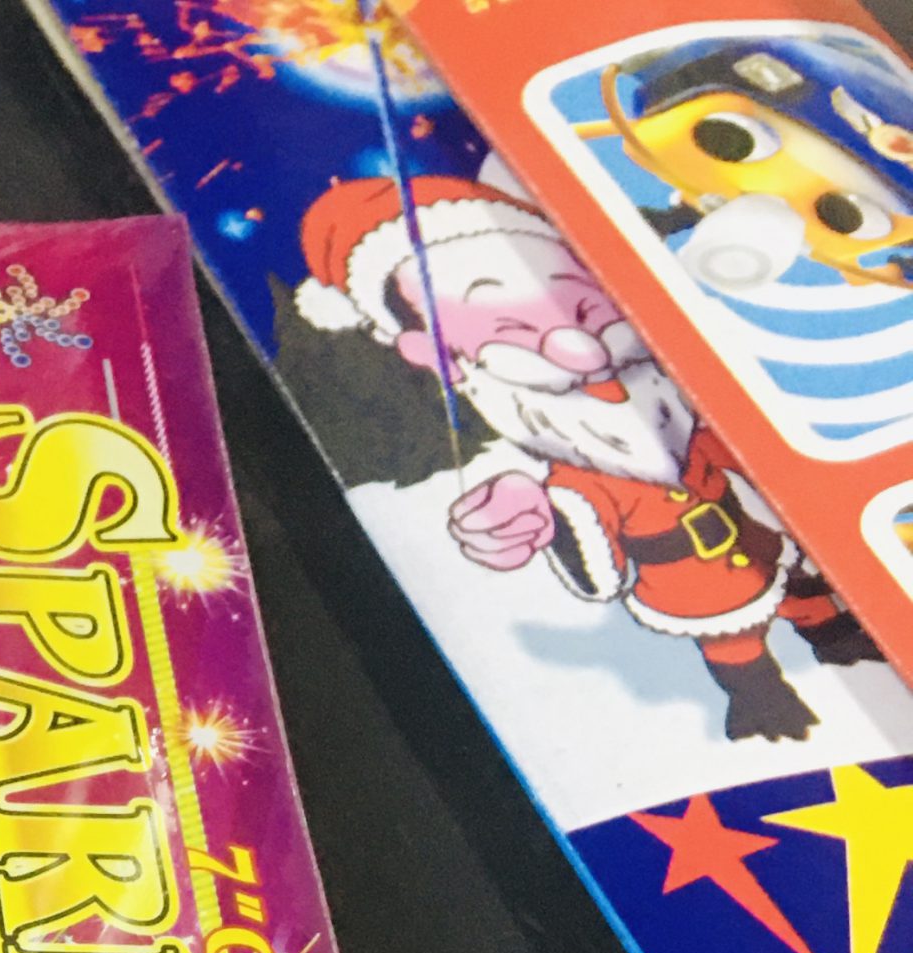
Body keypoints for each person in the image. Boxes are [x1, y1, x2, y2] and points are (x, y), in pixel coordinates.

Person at [295, 173, 880, 739]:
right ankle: (763, 700)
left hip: (756, 534)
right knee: (734, 641)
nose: (582, 350)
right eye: (511, 327)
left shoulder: (674, 405)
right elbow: (580, 524)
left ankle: (837, 639)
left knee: (802, 591)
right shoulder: (580, 469)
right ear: (438, 353)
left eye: (582, 306)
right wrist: (538, 518)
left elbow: (738, 449)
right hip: (688, 580)